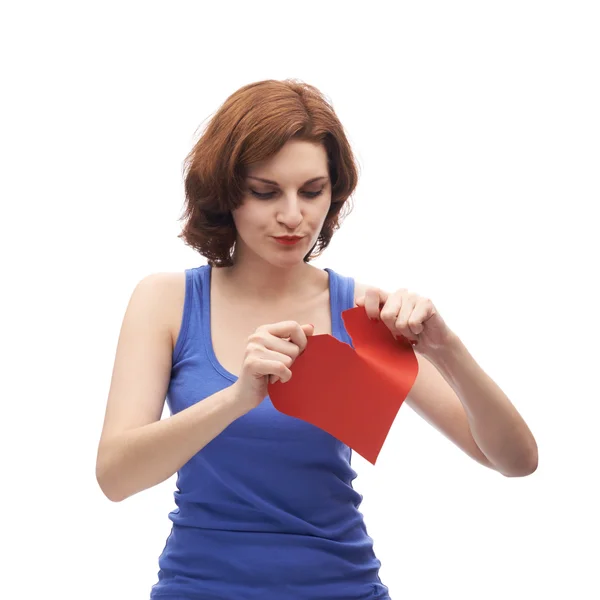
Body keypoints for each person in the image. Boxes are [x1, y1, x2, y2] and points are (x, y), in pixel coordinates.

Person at [96, 78, 538, 600]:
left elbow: (515, 460)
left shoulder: (362, 312)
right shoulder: (166, 301)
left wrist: (447, 349)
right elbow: (116, 477)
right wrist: (239, 398)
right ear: (224, 192)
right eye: (265, 192)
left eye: (312, 191)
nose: (293, 216)